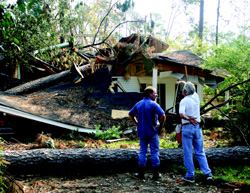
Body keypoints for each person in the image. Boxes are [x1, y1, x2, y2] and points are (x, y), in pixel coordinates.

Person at [129, 86, 166, 180]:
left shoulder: (138, 104)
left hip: (142, 132)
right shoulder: (153, 104)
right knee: (154, 152)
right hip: (153, 132)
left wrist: (137, 123)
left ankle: (141, 174)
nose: (156, 95)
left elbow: (130, 114)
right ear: (150, 94)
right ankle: (156, 175)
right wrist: (160, 127)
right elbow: (163, 116)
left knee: (142, 152)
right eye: (155, 93)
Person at [179, 81, 213, 183]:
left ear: (185, 91)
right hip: (197, 127)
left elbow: (181, 114)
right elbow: (190, 89)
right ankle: (208, 174)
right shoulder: (196, 97)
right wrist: (185, 83)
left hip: (187, 127)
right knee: (200, 151)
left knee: (188, 152)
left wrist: (189, 118)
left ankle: (190, 175)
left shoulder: (184, 101)